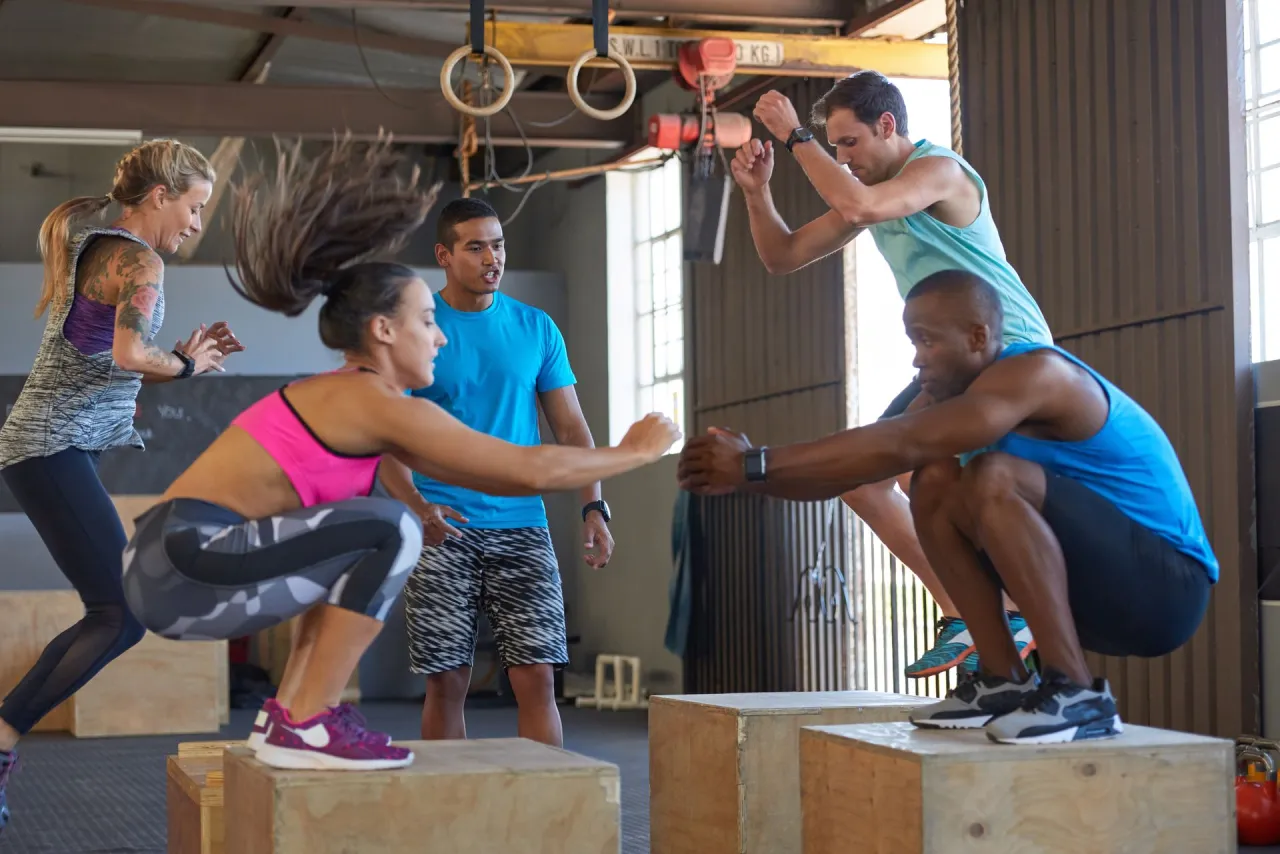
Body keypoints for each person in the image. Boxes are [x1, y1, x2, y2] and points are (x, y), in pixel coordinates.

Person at [119, 135, 681, 772]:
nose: (439, 336)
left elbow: (514, 472)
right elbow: (528, 467)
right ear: (384, 331)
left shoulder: (363, 399)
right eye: (425, 322)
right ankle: (306, 720)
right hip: (184, 565)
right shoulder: (374, 402)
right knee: (391, 527)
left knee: (362, 539)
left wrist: (593, 503)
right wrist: (635, 451)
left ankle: (292, 714)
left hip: (173, 565)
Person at [676, 270, 1215, 744]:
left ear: (977, 337)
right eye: (913, 341)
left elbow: (902, 439)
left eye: (927, 340)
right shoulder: (943, 397)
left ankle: (1078, 693)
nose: (917, 357)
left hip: (1165, 589)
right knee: (933, 479)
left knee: (990, 475)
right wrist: (748, 476)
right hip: (1091, 591)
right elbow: (848, 475)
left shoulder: (1039, 374)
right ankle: (1003, 680)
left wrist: (755, 462)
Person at [730, 70, 1051, 679]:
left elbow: (859, 204)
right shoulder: (871, 194)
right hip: (950, 364)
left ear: (887, 125)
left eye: (849, 143)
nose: (842, 158)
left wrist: (796, 136)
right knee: (864, 483)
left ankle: (1007, 613)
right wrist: (756, 193)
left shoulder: (940, 173)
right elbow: (782, 256)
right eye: (834, 146)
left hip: (1009, 351)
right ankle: (969, 614)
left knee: (919, 476)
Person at [0, 139, 242, 832]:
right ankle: (2, 737)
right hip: (50, 447)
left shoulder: (104, 247)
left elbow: (109, 361)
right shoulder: (139, 260)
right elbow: (131, 351)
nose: (196, 223)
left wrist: (180, 361)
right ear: (160, 196)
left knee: (112, 610)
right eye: (194, 207)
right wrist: (185, 367)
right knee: (121, 611)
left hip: (54, 446)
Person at [377, 197, 610, 749]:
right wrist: (418, 508)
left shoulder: (536, 328)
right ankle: (449, 797)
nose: (492, 258)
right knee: (446, 683)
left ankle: (548, 797)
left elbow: (571, 428)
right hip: (442, 528)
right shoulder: (417, 330)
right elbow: (386, 440)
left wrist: (593, 506)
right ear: (445, 256)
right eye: (476, 247)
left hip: (522, 525)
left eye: (499, 245)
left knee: (538, 678)